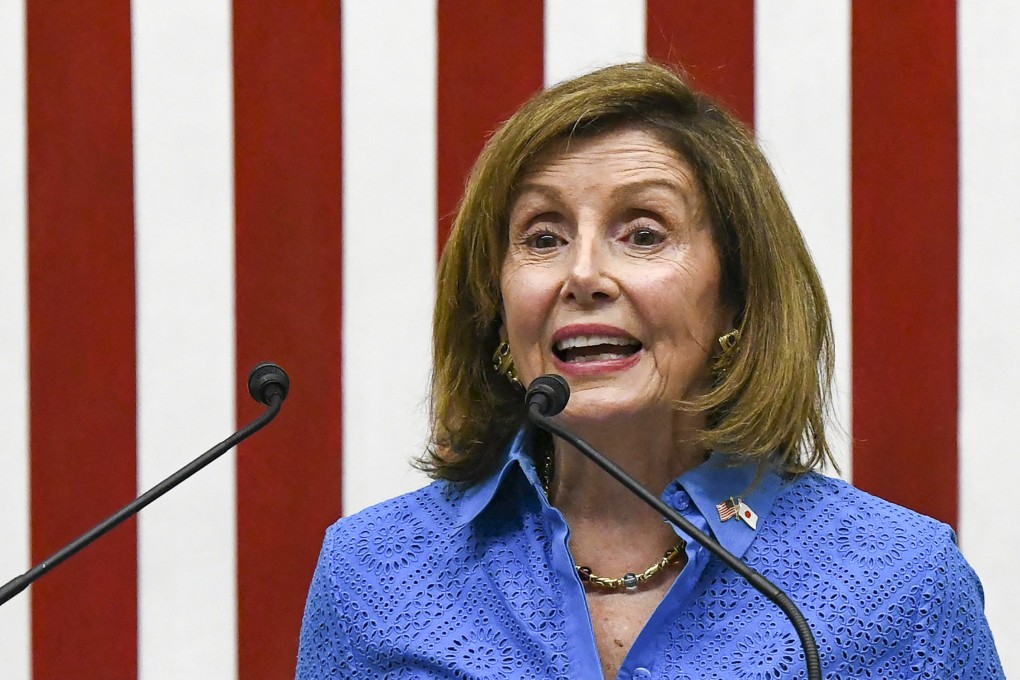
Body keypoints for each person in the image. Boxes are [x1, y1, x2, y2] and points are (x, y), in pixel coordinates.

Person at [296, 62, 1003, 679]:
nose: (583, 275)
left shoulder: (901, 582)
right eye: (543, 237)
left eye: (643, 234)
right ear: (496, 305)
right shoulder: (373, 572)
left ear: (736, 296)